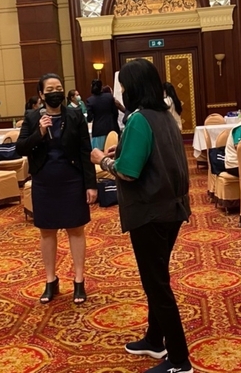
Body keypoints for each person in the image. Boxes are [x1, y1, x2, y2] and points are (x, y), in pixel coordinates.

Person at [91, 59, 192, 373]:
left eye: (123, 86)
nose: (121, 92)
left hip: (150, 211)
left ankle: (179, 360)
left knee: (156, 284)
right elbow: (156, 155)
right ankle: (154, 339)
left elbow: (129, 172)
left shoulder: (138, 119)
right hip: (172, 208)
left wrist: (102, 160)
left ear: (133, 88)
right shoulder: (164, 115)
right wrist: (121, 151)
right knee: (157, 276)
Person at [16, 73, 97, 304]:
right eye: (50, 89)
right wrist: (39, 133)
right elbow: (21, 148)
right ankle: (51, 280)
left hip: (72, 180)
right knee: (47, 232)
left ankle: (79, 281)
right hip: (44, 182)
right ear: (41, 94)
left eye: (58, 88)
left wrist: (91, 184)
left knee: (76, 230)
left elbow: (85, 150)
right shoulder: (32, 117)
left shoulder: (74, 115)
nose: (55, 92)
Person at [86, 79, 119, 149]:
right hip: (111, 128)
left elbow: (89, 118)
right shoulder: (109, 97)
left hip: (98, 130)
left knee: (99, 152)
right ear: (101, 87)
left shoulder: (90, 100)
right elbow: (115, 112)